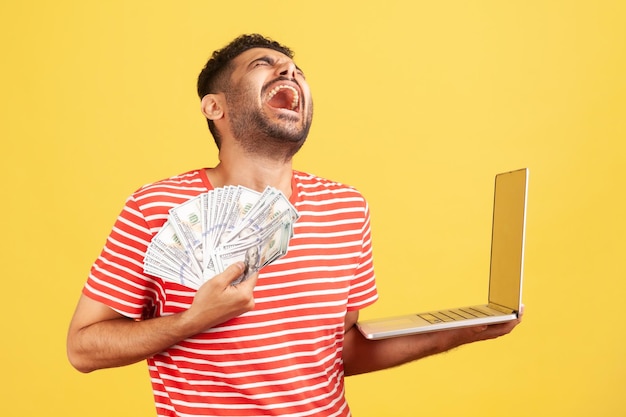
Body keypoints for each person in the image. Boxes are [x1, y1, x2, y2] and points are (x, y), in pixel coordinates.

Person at [67, 34, 522, 416]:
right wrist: (191, 321)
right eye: (264, 65)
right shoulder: (155, 207)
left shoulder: (346, 207)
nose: (289, 72)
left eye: (296, 70)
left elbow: (337, 352)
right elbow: (82, 349)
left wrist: (458, 332)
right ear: (214, 107)